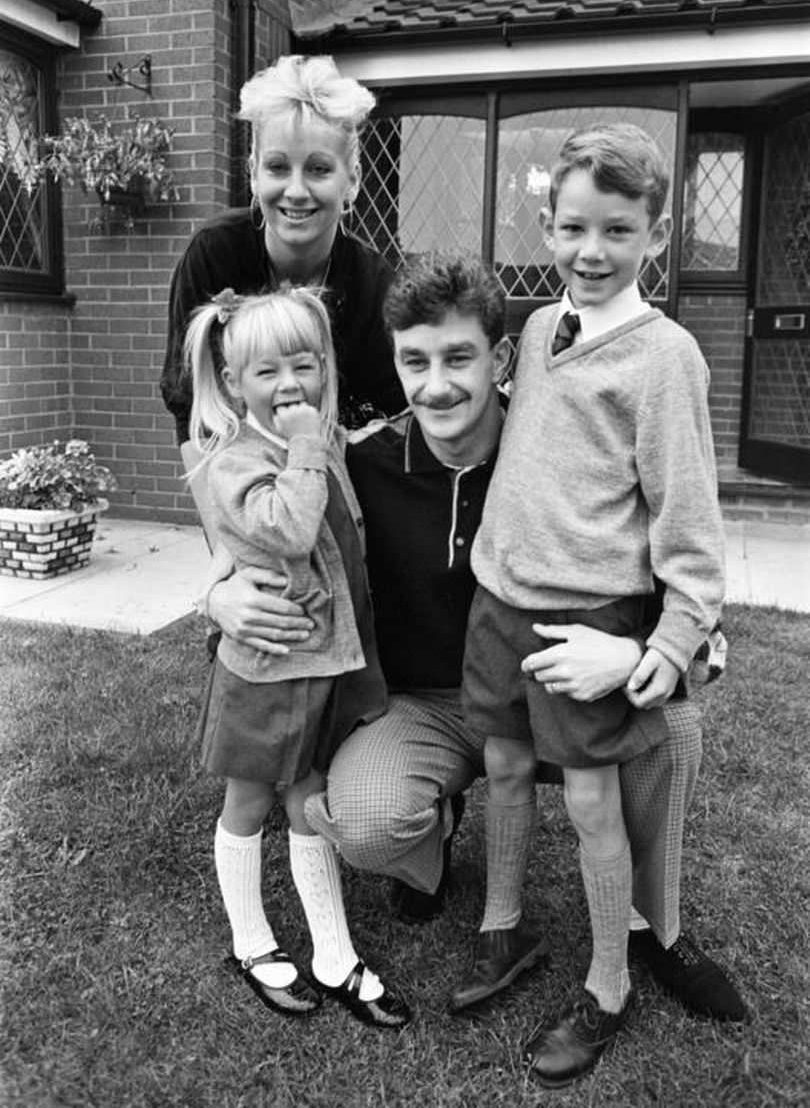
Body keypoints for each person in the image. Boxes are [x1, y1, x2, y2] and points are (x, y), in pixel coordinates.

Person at [205, 256, 745, 1029]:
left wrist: (641, 656)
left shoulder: (559, 457)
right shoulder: (361, 464)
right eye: (414, 361)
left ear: (499, 360)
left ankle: (654, 927)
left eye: (458, 357)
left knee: (673, 729)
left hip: (552, 684)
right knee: (360, 814)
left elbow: (676, 572)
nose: (436, 385)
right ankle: (432, 854)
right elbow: (272, 541)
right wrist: (218, 595)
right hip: (425, 704)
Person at [460, 123, 729, 1088]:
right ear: (546, 225)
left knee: (588, 801)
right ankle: (503, 927)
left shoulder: (667, 359)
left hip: (589, 616)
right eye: (574, 227)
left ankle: (609, 982)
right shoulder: (538, 329)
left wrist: (673, 640)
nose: (593, 250)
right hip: (499, 600)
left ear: (656, 236)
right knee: (500, 762)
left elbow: (690, 524)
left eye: (619, 230)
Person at [183, 284, 409, 1029]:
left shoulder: (323, 442)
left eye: (305, 365)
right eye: (267, 371)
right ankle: (251, 942)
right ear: (234, 381)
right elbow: (287, 526)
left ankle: (333, 954)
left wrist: (321, 441)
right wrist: (311, 443)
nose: (289, 384)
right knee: (249, 800)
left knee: (307, 798)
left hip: (318, 666)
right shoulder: (234, 462)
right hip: (265, 668)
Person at [160, 53, 404, 536]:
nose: (295, 190)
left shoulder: (376, 286)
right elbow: (193, 411)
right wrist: (229, 564)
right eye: (277, 167)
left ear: (351, 180)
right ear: (253, 173)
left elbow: (389, 431)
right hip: (242, 497)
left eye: (317, 169)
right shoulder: (215, 255)